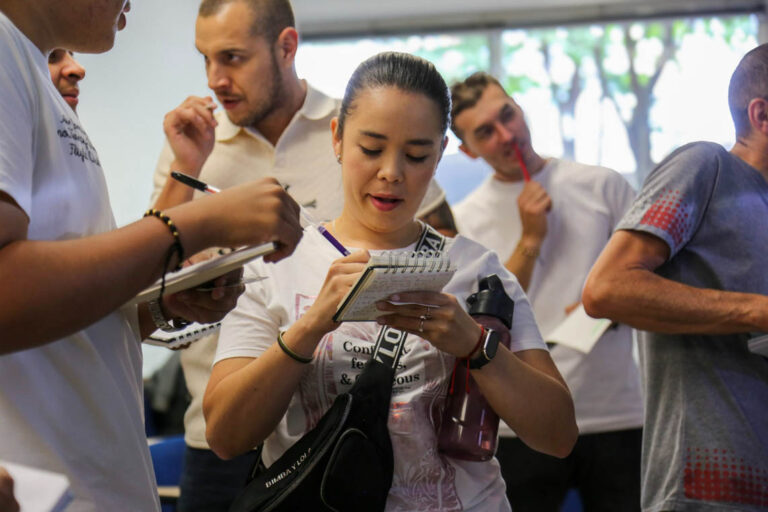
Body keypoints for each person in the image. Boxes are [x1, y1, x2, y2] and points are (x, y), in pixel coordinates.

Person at [202, 51, 577, 511]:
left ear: (439, 154)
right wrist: (310, 327)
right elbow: (225, 436)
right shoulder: (277, 263)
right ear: (338, 138)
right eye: (371, 149)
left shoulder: (478, 270)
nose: (391, 173)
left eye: (417, 155)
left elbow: (558, 435)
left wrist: (476, 346)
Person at [149, 1, 456, 509]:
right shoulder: (195, 147)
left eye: (232, 57)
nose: (215, 79)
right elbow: (150, 278)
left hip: (352, 424)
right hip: (221, 423)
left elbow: (439, 250)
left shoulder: (368, 125)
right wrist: (189, 170)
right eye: (205, 58)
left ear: (286, 47)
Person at [0, 1, 304, 510]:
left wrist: (163, 304)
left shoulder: (37, 82)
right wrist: (197, 224)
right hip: (46, 489)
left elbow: (77, 324)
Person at [582, 44, 768, 512]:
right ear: (762, 116)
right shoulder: (707, 166)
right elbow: (608, 289)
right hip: (703, 490)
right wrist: (759, 311)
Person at [449, 72, 643, 511]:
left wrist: (606, 302)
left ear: (520, 107)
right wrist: (530, 239)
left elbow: (652, 277)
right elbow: (484, 322)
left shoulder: (603, 185)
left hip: (616, 409)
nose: (507, 134)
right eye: (486, 132)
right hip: (520, 421)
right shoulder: (466, 220)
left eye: (508, 115)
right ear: (468, 150)